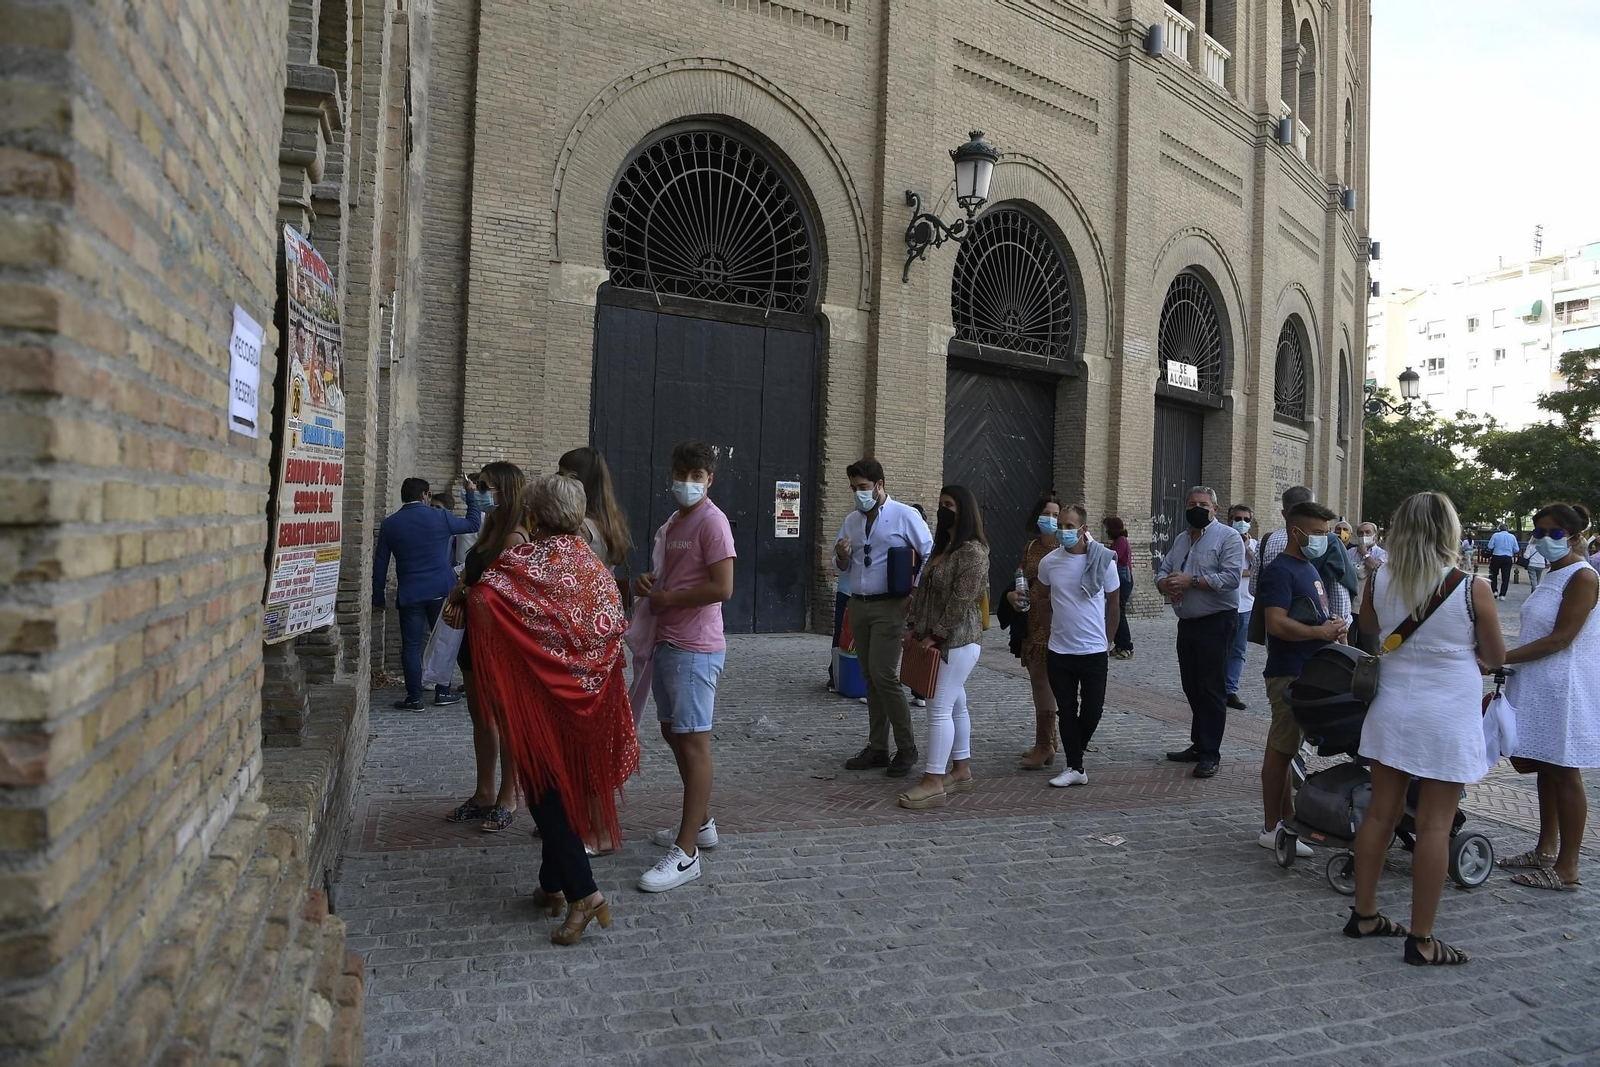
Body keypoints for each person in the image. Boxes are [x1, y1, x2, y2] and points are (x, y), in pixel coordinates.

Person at [463, 473, 639, 945]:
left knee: (544, 793)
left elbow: (484, 597)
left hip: (540, 702)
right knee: (562, 790)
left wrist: (462, 598)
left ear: (535, 516)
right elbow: (614, 624)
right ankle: (552, 884)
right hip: (588, 700)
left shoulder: (522, 562)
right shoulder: (594, 567)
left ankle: (585, 894)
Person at [1348, 491, 1503, 966]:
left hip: (1392, 705)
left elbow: (1368, 625)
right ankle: (1422, 939)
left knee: (1381, 813)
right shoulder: (1471, 587)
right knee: (1435, 824)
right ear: (1448, 530)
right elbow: (1495, 656)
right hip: (1446, 714)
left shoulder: (1379, 578)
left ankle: (1365, 913)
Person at [633, 440, 736, 893]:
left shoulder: (713, 522)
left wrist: (669, 599)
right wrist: (649, 583)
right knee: (672, 732)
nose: (688, 483)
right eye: (682, 475)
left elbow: (723, 587)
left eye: (697, 477)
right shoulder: (675, 522)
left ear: (710, 479)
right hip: (668, 641)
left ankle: (687, 851)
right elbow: (674, 576)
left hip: (696, 647)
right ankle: (703, 824)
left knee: (694, 742)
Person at [1498, 503, 1599, 892]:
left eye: (1554, 533)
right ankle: (1545, 849)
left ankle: (1567, 866)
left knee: (1564, 771)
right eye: (1538, 532)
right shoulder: (1552, 572)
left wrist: (1500, 658)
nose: (1544, 539)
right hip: (1539, 684)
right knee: (1544, 767)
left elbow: (1561, 639)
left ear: (1574, 536)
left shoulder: (1582, 576)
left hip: (1563, 688)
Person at [441, 462, 527, 833]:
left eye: (485, 486)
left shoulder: (516, 537)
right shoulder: (489, 529)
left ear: (505, 490)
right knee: (481, 718)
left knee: (507, 720)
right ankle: (483, 792)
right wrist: (462, 585)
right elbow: (474, 574)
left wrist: (465, 590)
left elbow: (508, 596)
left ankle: (508, 796)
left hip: (501, 642)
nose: (479, 492)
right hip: (475, 638)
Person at [1256, 499, 1344, 857]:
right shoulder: (1281, 570)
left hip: (1307, 670)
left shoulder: (1309, 567)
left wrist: (1332, 627)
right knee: (1280, 750)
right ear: (1297, 532)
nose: (1325, 539)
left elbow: (1313, 615)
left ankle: (1287, 819)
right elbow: (1276, 624)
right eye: (1319, 533)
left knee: (1287, 751)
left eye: (1327, 533)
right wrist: (1319, 633)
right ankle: (1270, 826)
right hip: (1288, 672)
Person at [836, 458, 934, 776]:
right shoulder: (852, 520)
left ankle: (906, 747)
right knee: (869, 676)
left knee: (884, 674)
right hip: (859, 603)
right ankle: (877, 747)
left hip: (890, 605)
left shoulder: (905, 515)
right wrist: (841, 555)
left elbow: (930, 554)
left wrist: (914, 593)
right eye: (853, 488)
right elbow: (842, 565)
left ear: (879, 485)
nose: (858, 494)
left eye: (863, 487)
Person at [897, 486, 990, 809]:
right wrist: (912, 627)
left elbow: (961, 602)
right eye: (940, 504)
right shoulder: (943, 547)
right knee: (956, 704)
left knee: (938, 709)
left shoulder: (972, 552)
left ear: (964, 511)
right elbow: (922, 594)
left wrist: (934, 636)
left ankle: (933, 781)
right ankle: (961, 769)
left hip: (957, 642)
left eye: (949, 505)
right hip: (934, 637)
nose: (943, 510)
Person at [1156, 486, 1244, 778]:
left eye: (1203, 504)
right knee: (1191, 686)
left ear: (1215, 509)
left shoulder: (1228, 537)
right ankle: (1199, 743)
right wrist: (1164, 583)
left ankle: (1210, 753)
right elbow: (1163, 569)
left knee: (1211, 688)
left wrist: (1191, 581)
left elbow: (1231, 578)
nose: (1197, 508)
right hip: (1187, 622)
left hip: (1216, 621)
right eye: (1192, 503)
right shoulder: (1181, 539)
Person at [373, 476, 481, 710]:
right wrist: (471, 495)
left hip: (410, 592)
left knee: (411, 646)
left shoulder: (390, 524)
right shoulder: (440, 516)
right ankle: (443, 692)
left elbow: (380, 562)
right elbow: (473, 524)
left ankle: (414, 697)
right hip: (441, 591)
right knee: (443, 641)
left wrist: (378, 596)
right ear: (425, 495)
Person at [1035, 504, 1120, 788]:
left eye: (1070, 526)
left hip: (1094, 650)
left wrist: (1108, 639)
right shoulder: (1049, 563)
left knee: (1093, 709)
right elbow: (1043, 600)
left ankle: (1075, 751)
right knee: (1067, 709)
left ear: (1083, 529)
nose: (1063, 531)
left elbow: (1114, 603)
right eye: (1060, 525)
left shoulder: (1103, 561)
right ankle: (1075, 767)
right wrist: (1049, 631)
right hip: (1060, 651)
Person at [1010, 494, 1062, 769]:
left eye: (1055, 515)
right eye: (1046, 513)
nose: (1050, 519)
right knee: (1037, 679)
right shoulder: (1031, 547)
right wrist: (1013, 595)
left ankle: (1045, 744)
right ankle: (1048, 740)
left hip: (1053, 618)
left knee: (1044, 680)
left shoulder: (1063, 547)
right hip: (1030, 618)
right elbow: (1021, 576)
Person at [558, 446, 633, 573]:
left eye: (561, 475)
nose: (558, 481)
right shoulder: (611, 523)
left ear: (576, 481)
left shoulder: (579, 527)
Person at [1225, 504, 1257, 711]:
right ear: (1230, 520)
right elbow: (1225, 571)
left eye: (1246, 519)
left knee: (1238, 651)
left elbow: (1259, 568)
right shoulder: (1224, 540)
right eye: (1238, 519)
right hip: (1224, 605)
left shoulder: (1255, 544)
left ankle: (1230, 689)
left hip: (1246, 606)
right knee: (1219, 649)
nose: (1242, 523)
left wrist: (1246, 548)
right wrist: (1245, 572)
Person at [1103, 516, 1135, 660]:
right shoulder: (1117, 541)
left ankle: (1127, 646)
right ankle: (1119, 645)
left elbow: (1112, 558)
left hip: (1123, 581)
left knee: (1119, 612)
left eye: (1106, 528)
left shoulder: (1121, 541)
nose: (1105, 531)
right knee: (1113, 611)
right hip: (1118, 580)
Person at [1488, 523, 1519, 599]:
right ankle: (1502, 594)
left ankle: (1494, 591)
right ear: (1507, 529)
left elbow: (1490, 546)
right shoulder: (1512, 537)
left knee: (1493, 574)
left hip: (1496, 556)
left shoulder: (1495, 535)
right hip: (1507, 557)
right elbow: (1516, 549)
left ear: (1499, 529)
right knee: (1506, 577)